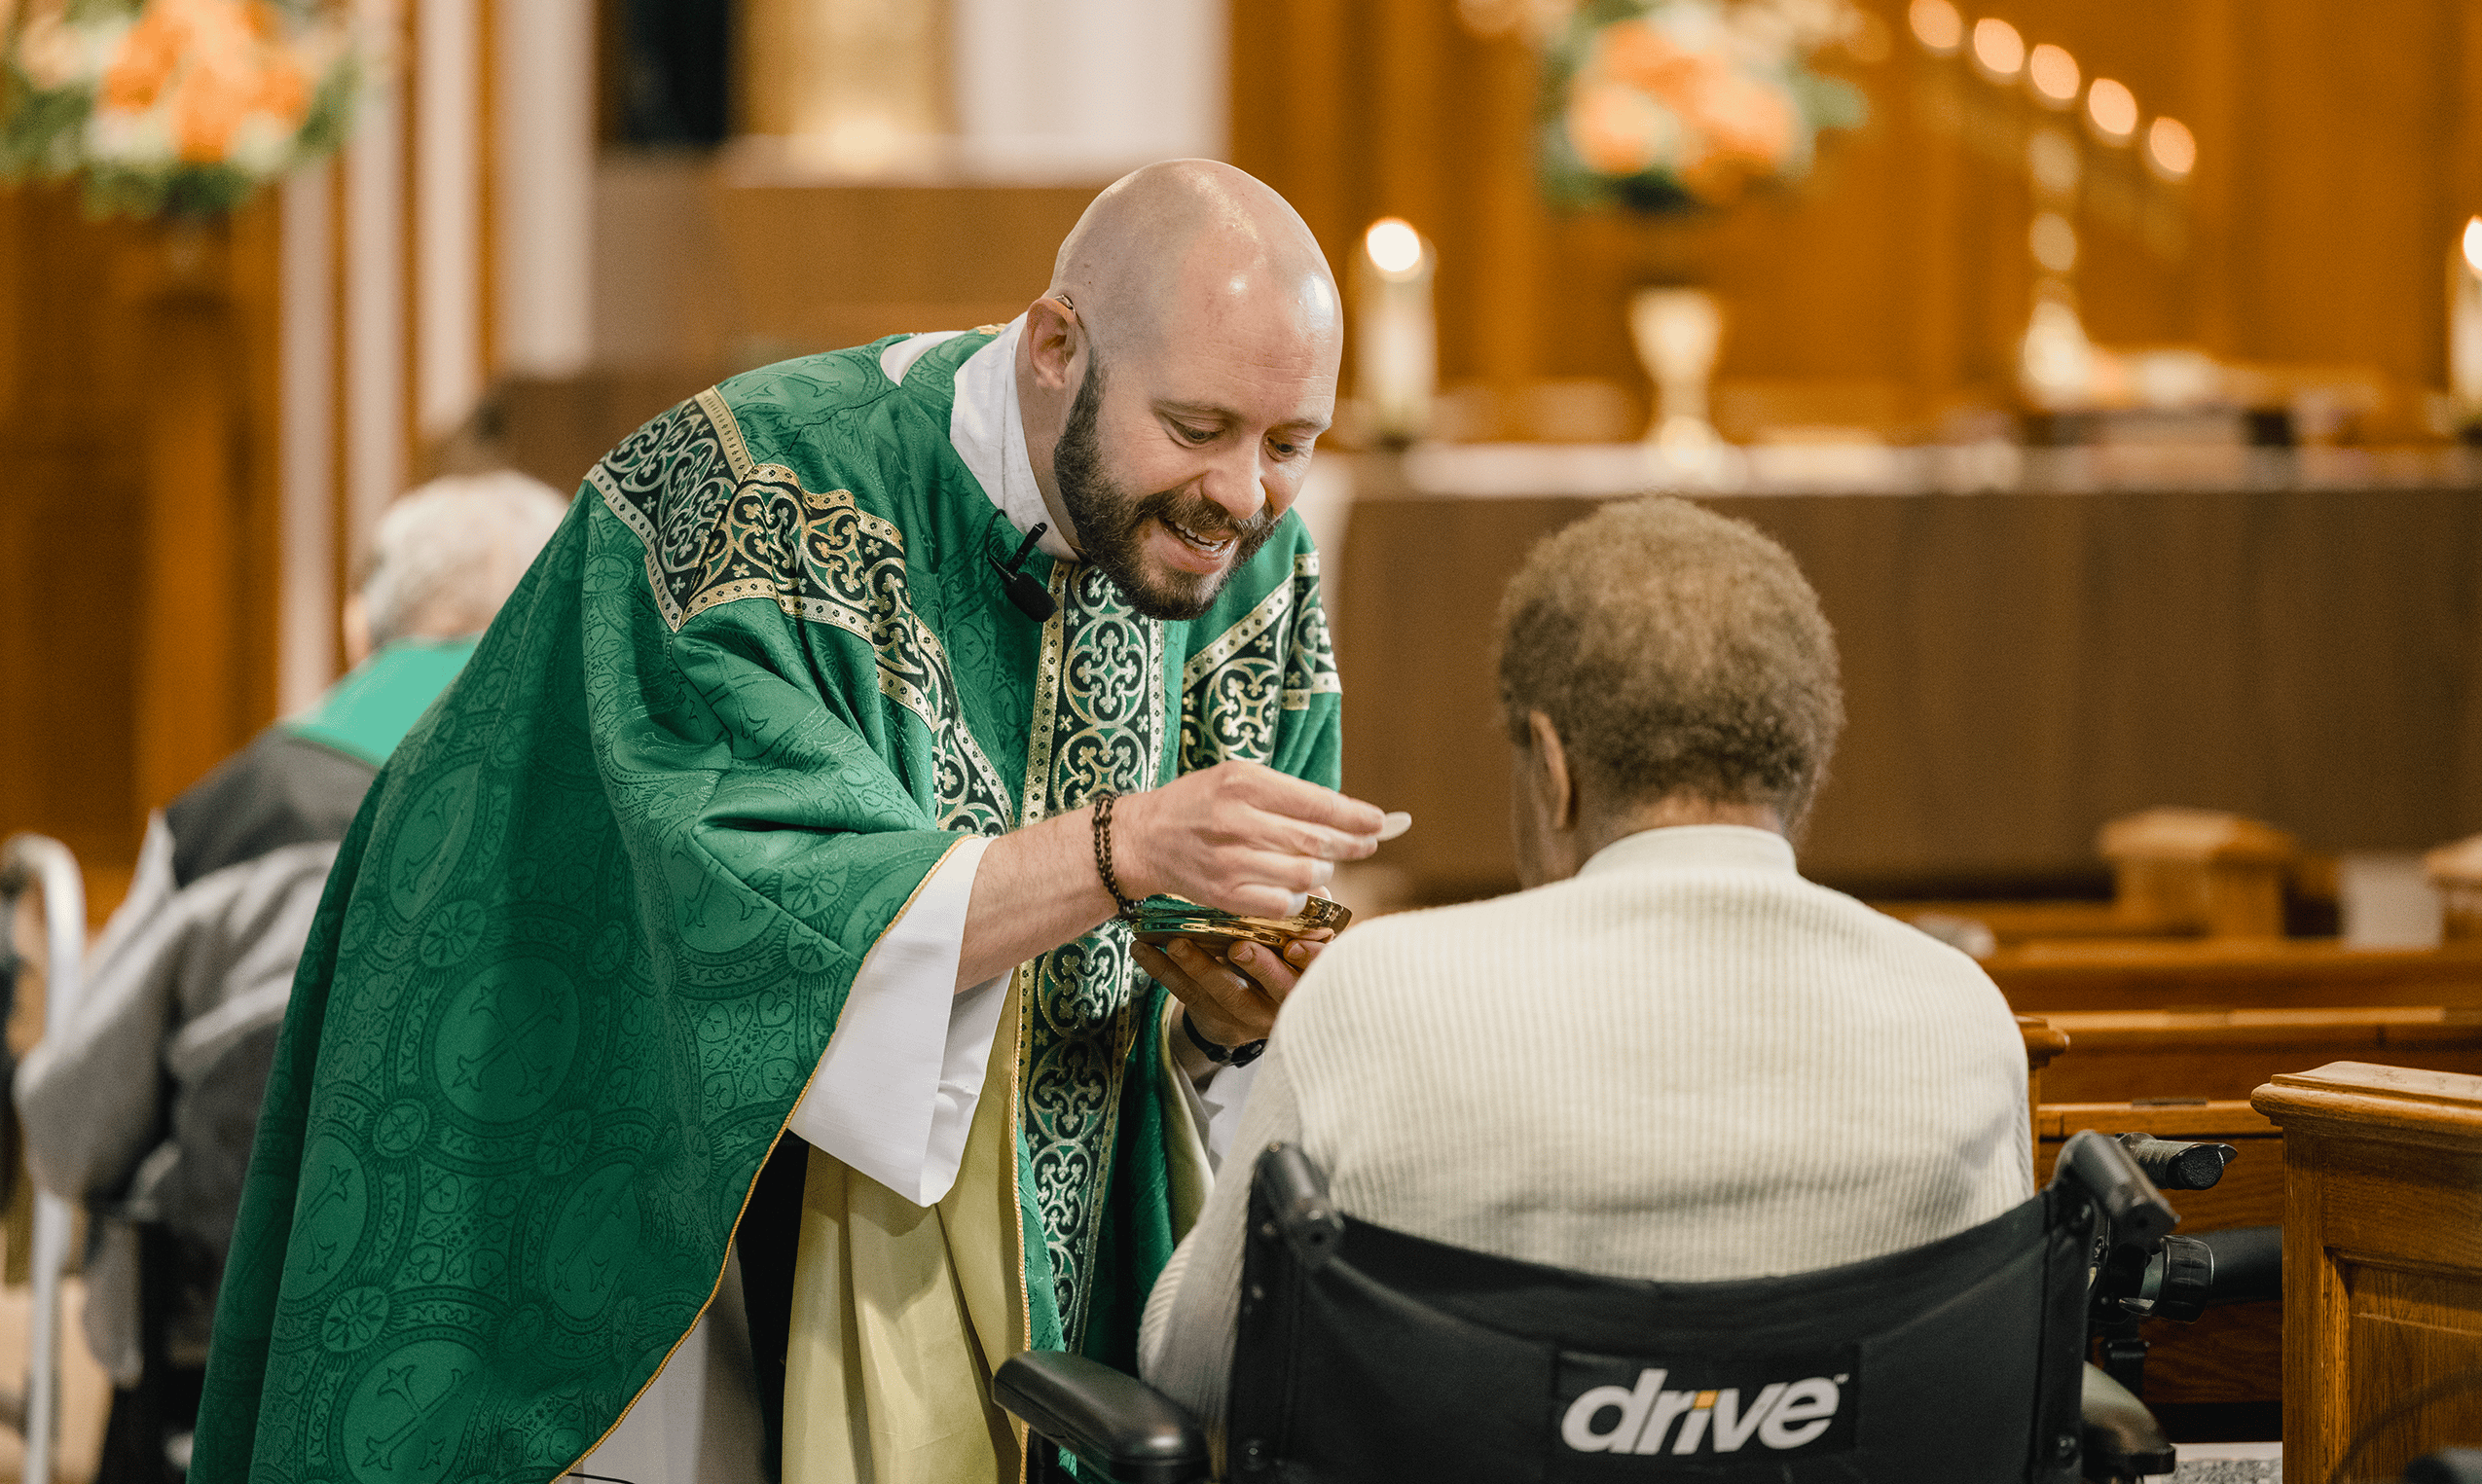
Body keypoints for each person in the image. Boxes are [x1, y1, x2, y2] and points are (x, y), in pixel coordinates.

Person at [192, 161, 1392, 1484]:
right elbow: (762, 924)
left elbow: (1222, 979)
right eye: (1199, 424)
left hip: (1070, 1288)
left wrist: (1232, 1017)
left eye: (1290, 443)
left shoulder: (1246, 556)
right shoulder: (753, 496)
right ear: (1055, 345)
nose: (1244, 494)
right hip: (644, 1218)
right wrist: (1122, 848)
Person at [1138, 496, 2034, 1445]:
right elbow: (1984, 1394)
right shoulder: (1958, 1016)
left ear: (1553, 767)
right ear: (1801, 758)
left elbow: (1201, 1377)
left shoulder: (1379, 995)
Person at [16, 471, 567, 1480]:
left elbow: (69, 1132)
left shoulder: (231, 816)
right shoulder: (593, 813)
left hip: (221, 1382)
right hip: (521, 1384)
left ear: (361, 631)